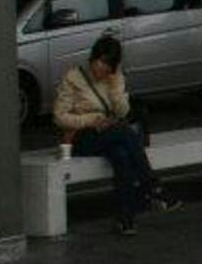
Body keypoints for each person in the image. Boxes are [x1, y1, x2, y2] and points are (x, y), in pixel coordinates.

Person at [53, 33, 178, 235]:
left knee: (121, 154)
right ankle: (153, 186)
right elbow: (59, 117)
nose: (101, 71)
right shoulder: (72, 78)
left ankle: (125, 220)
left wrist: (114, 86)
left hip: (108, 134)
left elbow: (122, 112)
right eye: (100, 64)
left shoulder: (114, 78)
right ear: (94, 58)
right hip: (80, 137)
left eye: (108, 67)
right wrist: (91, 120)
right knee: (125, 133)